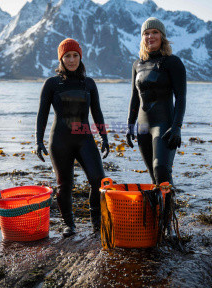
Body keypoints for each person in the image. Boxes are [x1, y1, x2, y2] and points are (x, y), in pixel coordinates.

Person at [35, 38, 110, 237]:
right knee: (64, 185)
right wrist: (38, 140)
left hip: (84, 138)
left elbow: (97, 113)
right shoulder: (52, 84)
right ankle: (69, 224)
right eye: (67, 56)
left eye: (75, 55)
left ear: (80, 57)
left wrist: (104, 137)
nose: (71, 59)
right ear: (61, 58)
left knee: (98, 180)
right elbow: (42, 114)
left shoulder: (89, 83)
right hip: (60, 141)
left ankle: (96, 224)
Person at [126, 17, 187, 186]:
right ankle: (161, 211)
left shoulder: (173, 62)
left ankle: (169, 211)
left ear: (162, 36)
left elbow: (181, 97)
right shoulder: (137, 64)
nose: (150, 36)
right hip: (143, 128)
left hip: (164, 126)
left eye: (154, 32)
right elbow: (134, 97)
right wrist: (130, 124)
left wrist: (177, 127)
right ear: (142, 37)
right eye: (146, 33)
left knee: (161, 169)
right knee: (154, 177)